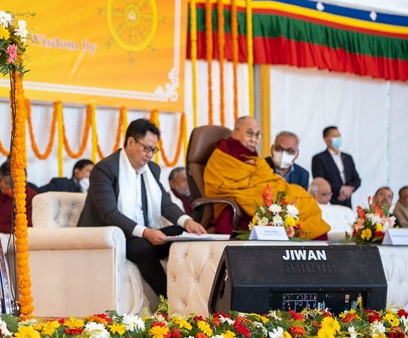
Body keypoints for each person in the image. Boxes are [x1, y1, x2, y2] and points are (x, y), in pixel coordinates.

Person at [77, 118, 206, 298]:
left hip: (143, 232)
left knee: (184, 234)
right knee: (143, 248)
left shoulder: (151, 169)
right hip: (112, 234)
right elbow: (109, 213)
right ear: (131, 142)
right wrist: (146, 233)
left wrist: (188, 221)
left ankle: (198, 295)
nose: (150, 155)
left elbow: (164, 203)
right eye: (147, 148)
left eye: (154, 150)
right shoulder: (105, 169)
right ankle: (169, 300)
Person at [203, 116, 329, 239]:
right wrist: (251, 174)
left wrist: (253, 171)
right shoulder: (222, 155)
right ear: (235, 132)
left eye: (258, 135)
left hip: (262, 190)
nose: (254, 139)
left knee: (305, 199)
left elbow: (267, 177)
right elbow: (223, 185)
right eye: (249, 133)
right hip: (246, 198)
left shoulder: (253, 157)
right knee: (283, 204)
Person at [311, 126, 361, 208]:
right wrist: (340, 190)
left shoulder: (347, 158)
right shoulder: (319, 158)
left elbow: (356, 179)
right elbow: (319, 181)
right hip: (329, 202)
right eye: (335, 136)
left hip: (347, 203)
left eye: (339, 136)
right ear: (326, 139)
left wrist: (348, 191)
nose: (338, 138)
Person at [0, 160, 37, 234]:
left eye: (20, 184)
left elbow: (26, 226)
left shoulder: (30, 196)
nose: (16, 188)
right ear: (0, 180)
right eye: (10, 185)